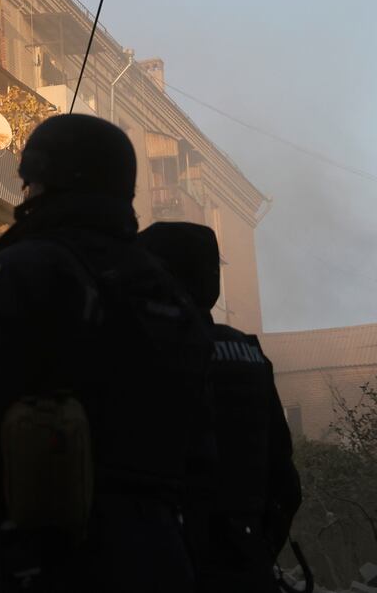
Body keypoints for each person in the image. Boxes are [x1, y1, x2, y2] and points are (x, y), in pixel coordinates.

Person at [0, 113, 213, 593]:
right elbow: (202, 442)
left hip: (57, 557)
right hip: (164, 552)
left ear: (42, 182)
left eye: (29, 183)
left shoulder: (26, 270)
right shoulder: (166, 291)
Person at [141, 221, 301, 593]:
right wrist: (254, 550)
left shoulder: (147, 350)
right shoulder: (249, 354)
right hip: (245, 567)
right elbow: (285, 480)